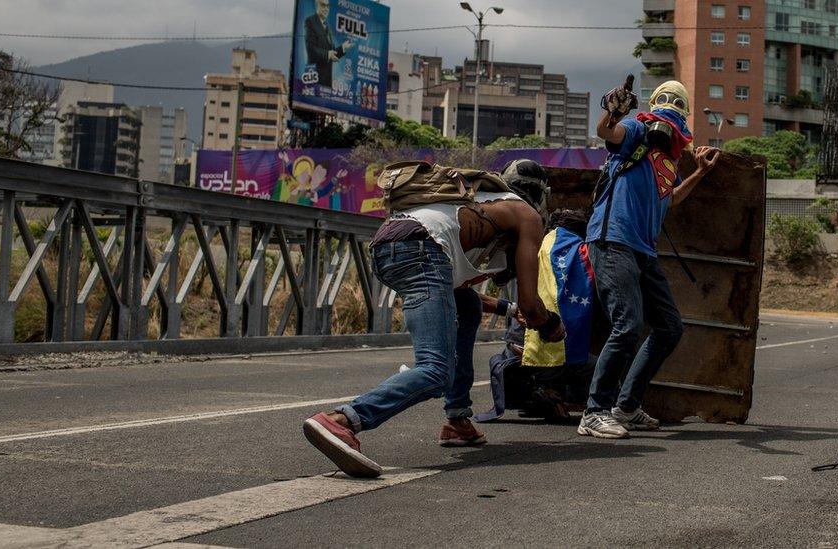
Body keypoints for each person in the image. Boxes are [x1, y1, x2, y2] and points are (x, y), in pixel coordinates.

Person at [302, 159, 566, 477]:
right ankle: (343, 419)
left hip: (386, 248)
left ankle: (457, 420)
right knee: (434, 371)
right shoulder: (527, 216)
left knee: (466, 306)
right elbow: (531, 303)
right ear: (542, 196)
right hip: (422, 252)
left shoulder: (476, 201)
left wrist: (508, 311)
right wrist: (551, 324)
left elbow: (456, 290)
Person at [577, 80, 721, 439]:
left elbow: (668, 200)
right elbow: (606, 132)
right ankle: (594, 412)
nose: (671, 105)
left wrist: (700, 172)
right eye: (667, 100)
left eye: (677, 101)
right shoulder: (639, 130)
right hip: (613, 240)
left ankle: (626, 407)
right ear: (655, 105)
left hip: (642, 249)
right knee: (627, 324)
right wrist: (614, 110)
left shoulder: (670, 156)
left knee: (669, 327)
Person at [304, 0, 353, 87]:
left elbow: (332, 52)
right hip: (313, 78)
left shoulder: (327, 26)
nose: (326, 9)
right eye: (323, 5)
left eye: (328, 6)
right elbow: (311, 49)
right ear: (316, 5)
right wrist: (328, 54)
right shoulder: (310, 21)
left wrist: (342, 48)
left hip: (326, 82)